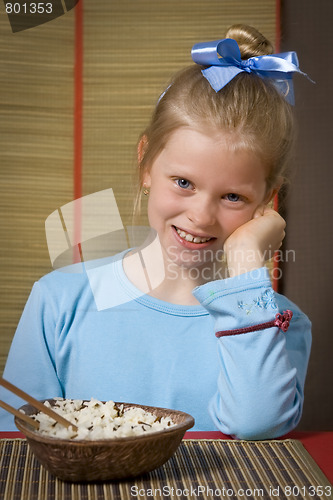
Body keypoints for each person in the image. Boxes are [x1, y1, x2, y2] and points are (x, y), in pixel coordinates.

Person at [0, 24, 311, 439]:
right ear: (146, 163)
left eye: (233, 196)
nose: (201, 216)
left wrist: (246, 269)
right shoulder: (59, 303)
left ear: (266, 201)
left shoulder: (278, 323)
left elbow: (257, 425)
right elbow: (18, 450)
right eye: (183, 182)